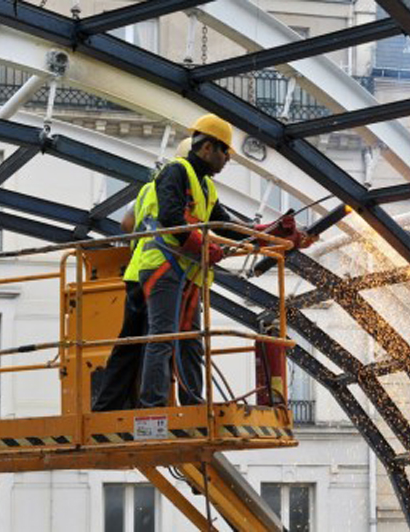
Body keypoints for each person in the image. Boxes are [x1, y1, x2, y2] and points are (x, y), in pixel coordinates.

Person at [132, 114, 310, 408]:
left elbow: (227, 227)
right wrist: (204, 248)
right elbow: (170, 219)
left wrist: (271, 231)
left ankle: (192, 402)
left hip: (184, 271)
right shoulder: (176, 172)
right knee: (163, 336)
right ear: (207, 148)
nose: (228, 159)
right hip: (162, 266)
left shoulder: (206, 186)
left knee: (191, 341)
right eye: (225, 151)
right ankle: (153, 405)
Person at [91, 139, 194, 411]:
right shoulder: (183, 188)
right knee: (159, 339)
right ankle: (152, 404)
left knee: (129, 343)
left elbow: (126, 224)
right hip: (159, 271)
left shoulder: (149, 188)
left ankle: (106, 405)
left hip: (137, 272)